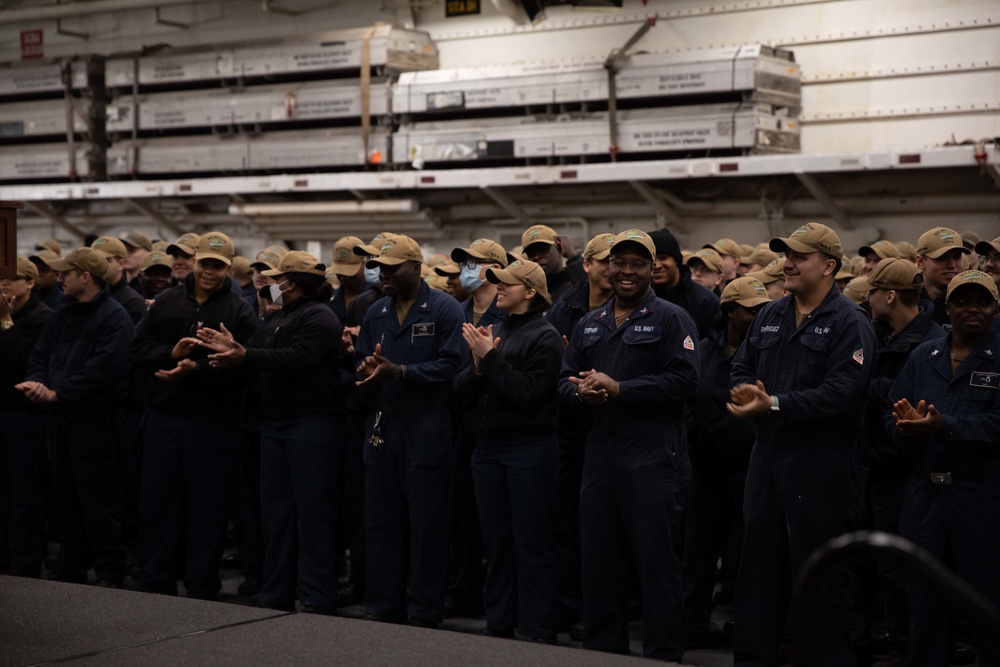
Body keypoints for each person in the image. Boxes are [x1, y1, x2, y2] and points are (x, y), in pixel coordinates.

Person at [728, 222, 876, 667]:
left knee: (819, 575)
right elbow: (740, 367)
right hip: (768, 457)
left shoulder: (851, 323)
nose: (788, 263)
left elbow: (841, 394)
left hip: (822, 462)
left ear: (829, 266)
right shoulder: (771, 315)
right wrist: (744, 393)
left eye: (799, 256)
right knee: (757, 571)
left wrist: (772, 403)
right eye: (786, 255)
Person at [559, 229, 699, 661]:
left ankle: (662, 652)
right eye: (619, 262)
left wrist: (621, 388)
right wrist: (579, 393)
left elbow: (686, 381)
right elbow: (564, 381)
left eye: (637, 263)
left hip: (653, 453)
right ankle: (604, 648)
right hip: (600, 452)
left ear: (652, 269)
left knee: (656, 562)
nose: (626, 271)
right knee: (598, 557)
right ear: (607, 267)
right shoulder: (589, 323)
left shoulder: (672, 319)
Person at [197, 251, 347, 614]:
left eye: (277, 278)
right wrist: (233, 353)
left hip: (311, 426)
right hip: (276, 426)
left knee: (312, 515)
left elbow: (297, 359)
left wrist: (244, 355)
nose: (270, 282)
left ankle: (315, 595)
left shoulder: (320, 317)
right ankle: (276, 592)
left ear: (292, 283)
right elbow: (257, 357)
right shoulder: (279, 317)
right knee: (276, 515)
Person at [132, 231, 257, 599]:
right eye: (205, 263)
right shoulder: (167, 302)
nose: (209, 272)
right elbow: (139, 349)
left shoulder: (239, 311)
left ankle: (202, 583)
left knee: (209, 506)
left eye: (218, 266)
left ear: (228, 268)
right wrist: (171, 354)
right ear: (194, 261)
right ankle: (156, 579)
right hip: (164, 417)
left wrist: (198, 369)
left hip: (213, 422)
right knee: (157, 502)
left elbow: (248, 368)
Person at [889, 270, 1000, 667]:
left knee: (986, 604)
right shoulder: (924, 355)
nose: (973, 309)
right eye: (962, 301)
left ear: (995, 308)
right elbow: (893, 413)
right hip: (925, 497)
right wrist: (904, 426)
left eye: (983, 301)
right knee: (924, 604)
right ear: (947, 308)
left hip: (981, 497)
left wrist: (944, 426)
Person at [353, 234, 465, 627]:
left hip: (426, 424)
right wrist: (366, 370)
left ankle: (423, 608)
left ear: (415, 269)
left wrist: (400, 371)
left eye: (392, 268)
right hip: (383, 425)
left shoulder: (444, 309)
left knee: (426, 524)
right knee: (381, 521)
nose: (383, 275)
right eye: (380, 269)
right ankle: (383, 605)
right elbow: (361, 359)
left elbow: (454, 365)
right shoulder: (376, 313)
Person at [454, 258, 563, 641]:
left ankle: (537, 627)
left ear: (531, 292)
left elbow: (528, 394)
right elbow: (461, 390)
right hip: (489, 449)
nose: (498, 288)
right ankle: (499, 620)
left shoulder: (546, 336)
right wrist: (480, 366)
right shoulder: (493, 329)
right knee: (496, 540)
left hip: (529, 448)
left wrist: (491, 358)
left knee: (531, 541)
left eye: (507, 284)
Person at [18, 247, 134, 587]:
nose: (59, 278)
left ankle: (111, 570)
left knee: (99, 498)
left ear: (85, 276)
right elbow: (40, 355)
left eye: (66, 273)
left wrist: (59, 392)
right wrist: (39, 383)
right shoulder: (62, 314)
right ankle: (71, 566)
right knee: (65, 496)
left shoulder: (114, 317)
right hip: (61, 419)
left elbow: (105, 368)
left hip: (96, 421)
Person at [856, 258, 945, 664]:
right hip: (868, 464)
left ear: (889, 295)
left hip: (903, 470)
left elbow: (922, 399)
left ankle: (907, 649)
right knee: (872, 565)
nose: (867, 300)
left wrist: (871, 386)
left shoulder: (930, 343)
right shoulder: (874, 333)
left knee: (899, 567)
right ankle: (884, 639)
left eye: (871, 293)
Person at [683, 276, 770, 648]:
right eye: (751, 309)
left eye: (763, 310)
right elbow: (686, 400)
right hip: (704, 468)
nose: (758, 316)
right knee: (698, 554)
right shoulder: (701, 351)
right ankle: (690, 626)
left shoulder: (768, 352)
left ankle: (749, 632)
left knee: (751, 557)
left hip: (751, 467)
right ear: (730, 310)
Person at [543, 231, 614, 634]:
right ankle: (569, 603)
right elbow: (555, 371)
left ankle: (601, 610)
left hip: (614, 429)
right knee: (566, 521)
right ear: (586, 265)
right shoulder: (563, 308)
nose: (610, 268)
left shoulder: (636, 305)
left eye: (615, 261)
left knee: (604, 526)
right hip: (571, 429)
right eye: (602, 260)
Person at [445, 238, 509, 618]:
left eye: (475, 262)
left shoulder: (506, 313)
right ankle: (465, 586)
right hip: (458, 421)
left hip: (495, 422)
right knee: (461, 512)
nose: (466, 268)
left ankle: (496, 593)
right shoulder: (456, 312)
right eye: (464, 262)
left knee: (496, 518)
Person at [0, 258, 53, 578]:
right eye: (1, 278)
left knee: (24, 493)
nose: (5, 284)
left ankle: (25, 560)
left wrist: (6, 321)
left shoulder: (42, 318)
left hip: (25, 414)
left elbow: (24, 361)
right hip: (3, 410)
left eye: (13, 278)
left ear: (31, 283)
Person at [648, 228, 719, 339]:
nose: (656, 265)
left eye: (663, 258)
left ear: (676, 260)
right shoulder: (639, 298)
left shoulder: (706, 301)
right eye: (651, 259)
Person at [914, 227, 969, 328]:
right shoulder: (907, 301)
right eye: (942, 258)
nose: (952, 265)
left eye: (957, 257)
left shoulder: (972, 302)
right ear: (921, 262)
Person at [521, 224, 585, 304]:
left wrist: (572, 256)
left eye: (542, 249)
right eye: (531, 253)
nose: (536, 256)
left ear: (559, 248)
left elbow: (590, 290)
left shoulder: (575, 281)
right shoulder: (529, 292)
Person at [91, 236, 146, 324]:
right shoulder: (85, 295)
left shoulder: (133, 302)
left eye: (106, 260)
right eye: (93, 260)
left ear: (121, 264)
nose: (98, 265)